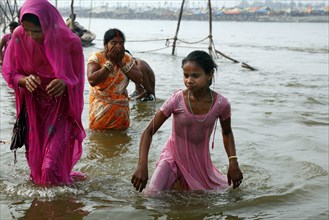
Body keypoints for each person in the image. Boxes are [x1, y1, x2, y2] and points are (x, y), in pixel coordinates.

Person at [131, 50, 243, 194]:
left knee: (205, 198)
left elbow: (227, 132)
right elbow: (148, 132)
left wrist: (233, 162)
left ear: (209, 75)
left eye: (195, 76)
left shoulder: (222, 104)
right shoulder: (176, 100)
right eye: (186, 75)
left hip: (199, 165)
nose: (189, 80)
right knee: (151, 194)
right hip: (171, 158)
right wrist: (142, 165)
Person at [1, 0, 86, 186]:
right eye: (28, 30)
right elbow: (9, 72)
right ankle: (48, 207)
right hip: (33, 111)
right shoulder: (18, 36)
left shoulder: (70, 43)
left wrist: (65, 82)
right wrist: (24, 80)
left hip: (60, 111)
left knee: (49, 166)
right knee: (36, 168)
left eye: (38, 31)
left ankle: (53, 205)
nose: (32, 36)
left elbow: (78, 78)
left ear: (49, 24)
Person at [87, 28, 154, 130]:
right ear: (106, 45)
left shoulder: (127, 58)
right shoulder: (97, 58)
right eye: (113, 43)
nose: (118, 46)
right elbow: (92, 80)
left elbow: (140, 79)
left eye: (121, 43)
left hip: (121, 110)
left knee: (122, 139)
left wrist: (121, 63)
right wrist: (111, 62)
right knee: (99, 139)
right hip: (100, 110)